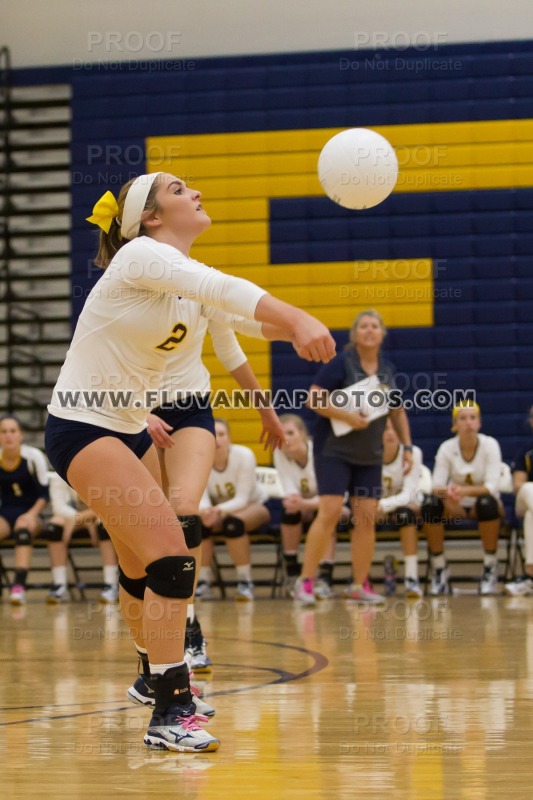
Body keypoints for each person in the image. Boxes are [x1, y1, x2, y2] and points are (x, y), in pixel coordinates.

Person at [45, 171, 335, 753]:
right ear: (150, 217)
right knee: (174, 557)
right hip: (82, 425)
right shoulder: (141, 258)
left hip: (126, 427)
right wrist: (300, 317)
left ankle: (153, 678)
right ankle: (172, 707)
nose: (196, 192)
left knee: (141, 570)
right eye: (179, 190)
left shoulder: (176, 284)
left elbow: (245, 321)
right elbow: (227, 289)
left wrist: (290, 330)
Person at [132, 305, 284, 683]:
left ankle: (187, 623)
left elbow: (232, 353)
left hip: (190, 409)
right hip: (138, 412)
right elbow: (108, 360)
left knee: (184, 508)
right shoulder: (129, 289)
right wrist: (139, 412)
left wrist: (266, 412)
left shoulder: (198, 288)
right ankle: (174, 630)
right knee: (155, 520)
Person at [294, 309, 413, 606]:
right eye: (364, 326)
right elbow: (313, 398)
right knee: (331, 511)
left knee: (366, 518)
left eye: (375, 326)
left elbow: (397, 410)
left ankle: (359, 585)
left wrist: (407, 446)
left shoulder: (388, 369)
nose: (370, 331)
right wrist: (346, 415)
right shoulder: (340, 364)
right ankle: (306, 582)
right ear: (355, 335)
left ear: (382, 334)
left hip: (369, 455)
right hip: (333, 451)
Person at [421, 401, 503, 596]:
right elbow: (436, 485)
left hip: (481, 504)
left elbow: (492, 487)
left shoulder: (490, 445)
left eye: (473, 418)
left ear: (479, 423)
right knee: (431, 504)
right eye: (463, 418)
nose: (468, 423)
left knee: (487, 503)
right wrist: (448, 493)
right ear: (455, 424)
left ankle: (490, 567)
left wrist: (465, 491)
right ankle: (440, 567)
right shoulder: (446, 448)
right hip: (455, 505)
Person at [273, 413, 347, 598]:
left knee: (325, 514)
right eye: (282, 434)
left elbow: (340, 496)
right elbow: (289, 489)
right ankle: (291, 572)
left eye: (290, 433)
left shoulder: (322, 452)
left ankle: (325, 578)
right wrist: (295, 502)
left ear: (303, 434)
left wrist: (304, 504)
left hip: (334, 506)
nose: (286, 438)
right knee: (289, 511)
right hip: (304, 506)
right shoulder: (279, 453)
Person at [197, 418, 271, 601]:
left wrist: (215, 511)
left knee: (233, 524)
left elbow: (242, 499)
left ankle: (245, 581)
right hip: (219, 511)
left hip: (253, 506)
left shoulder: (244, 455)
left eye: (221, 434)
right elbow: (201, 497)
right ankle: (203, 582)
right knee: (198, 526)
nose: (217, 439)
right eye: (213, 434)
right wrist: (206, 512)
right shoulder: (199, 459)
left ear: (229, 438)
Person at [45, 472, 119, 604]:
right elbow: (58, 507)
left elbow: (112, 503)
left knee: (105, 523)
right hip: (73, 518)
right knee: (54, 527)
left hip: (102, 513)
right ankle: (60, 585)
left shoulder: (102, 468)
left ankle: (111, 584)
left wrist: (83, 517)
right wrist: (81, 520)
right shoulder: (60, 471)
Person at [0, 415, 49, 604]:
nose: (8, 436)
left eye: (12, 431)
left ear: (20, 435)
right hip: (6, 513)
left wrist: (30, 515)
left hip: (33, 513)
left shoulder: (33, 456)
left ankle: (18, 587)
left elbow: (45, 495)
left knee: (22, 530)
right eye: (3, 432)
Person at [378, 419, 424, 598]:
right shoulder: (368, 454)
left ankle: (411, 579)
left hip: (397, 505)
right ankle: (360, 577)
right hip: (375, 507)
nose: (390, 433)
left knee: (406, 515)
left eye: (394, 428)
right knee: (360, 517)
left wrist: (382, 505)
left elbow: (409, 494)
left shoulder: (413, 453)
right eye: (385, 429)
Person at [505, 405, 533, 596]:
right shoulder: (526, 450)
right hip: (525, 498)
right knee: (530, 489)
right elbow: (517, 484)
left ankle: (531, 574)